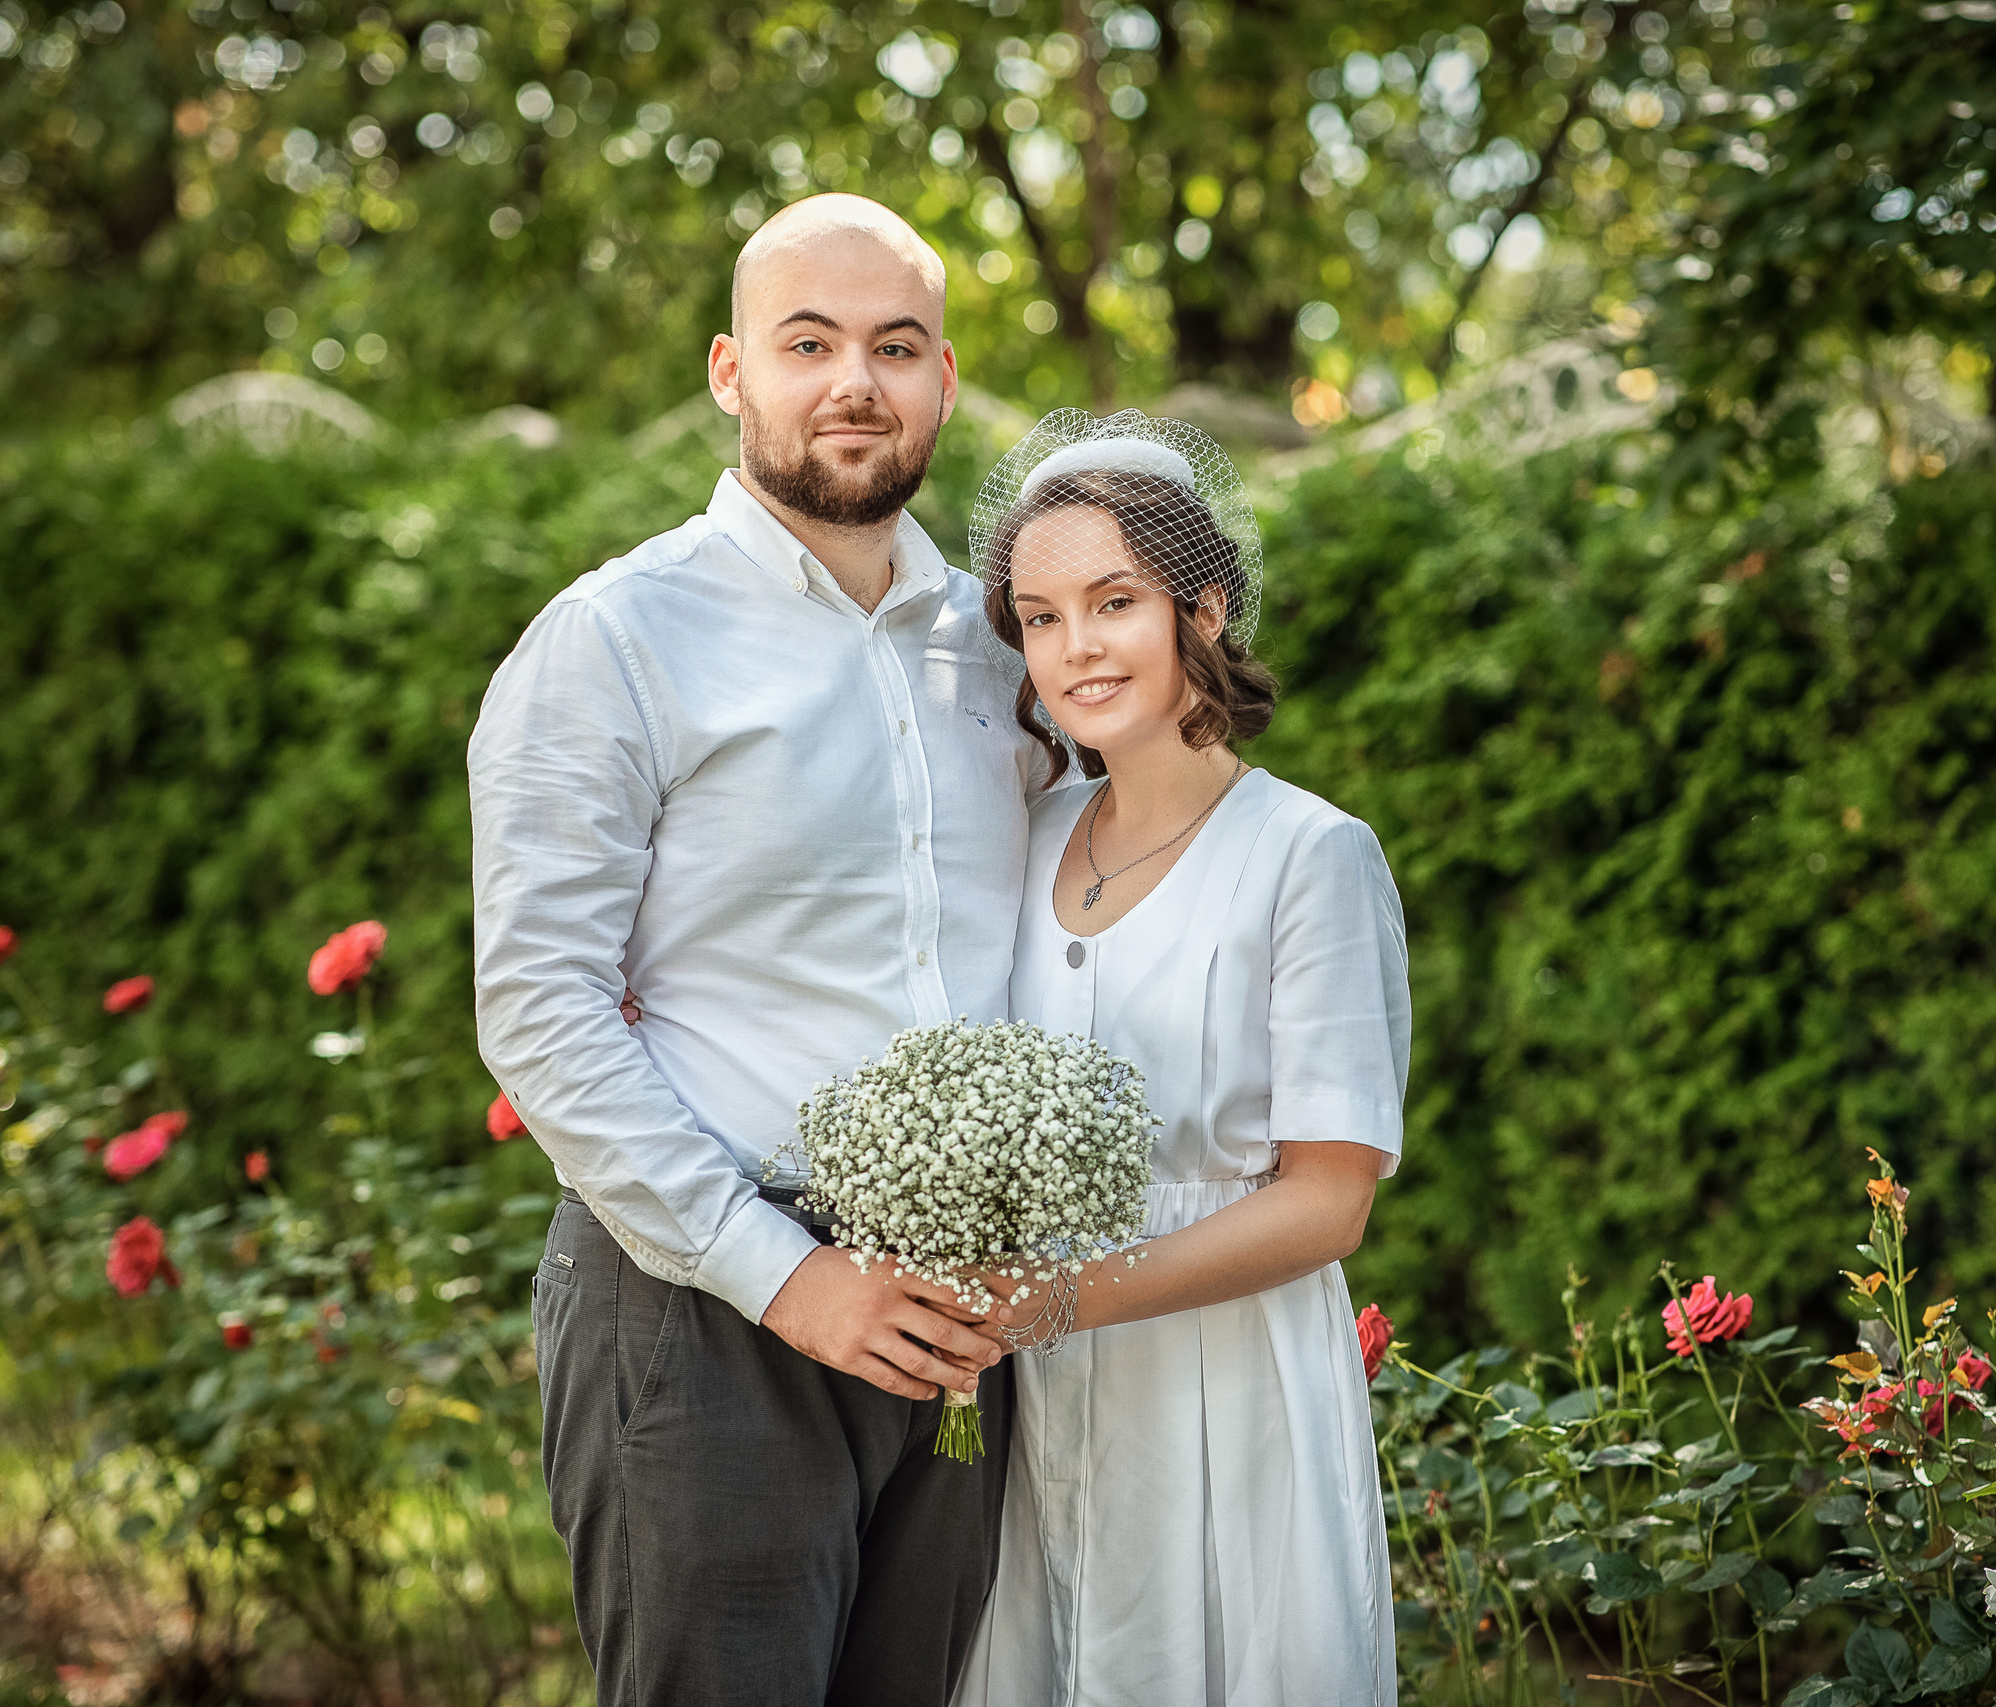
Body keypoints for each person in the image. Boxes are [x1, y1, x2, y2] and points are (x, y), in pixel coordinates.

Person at [469, 194, 1050, 1707]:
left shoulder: (1005, 647)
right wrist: (790, 1280)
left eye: (895, 345)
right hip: (704, 1305)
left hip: (952, 1318)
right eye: (810, 342)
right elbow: (539, 1010)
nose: (854, 382)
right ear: (733, 373)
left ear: (942, 380)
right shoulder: (616, 640)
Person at [951, 411, 1409, 1707]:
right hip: (1037, 1403)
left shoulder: (1310, 857)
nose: (1076, 648)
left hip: (1228, 1385)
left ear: (1202, 608)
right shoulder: (1025, 835)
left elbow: (1331, 1200)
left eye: (1114, 601)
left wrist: (1061, 1299)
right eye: (1040, 618)